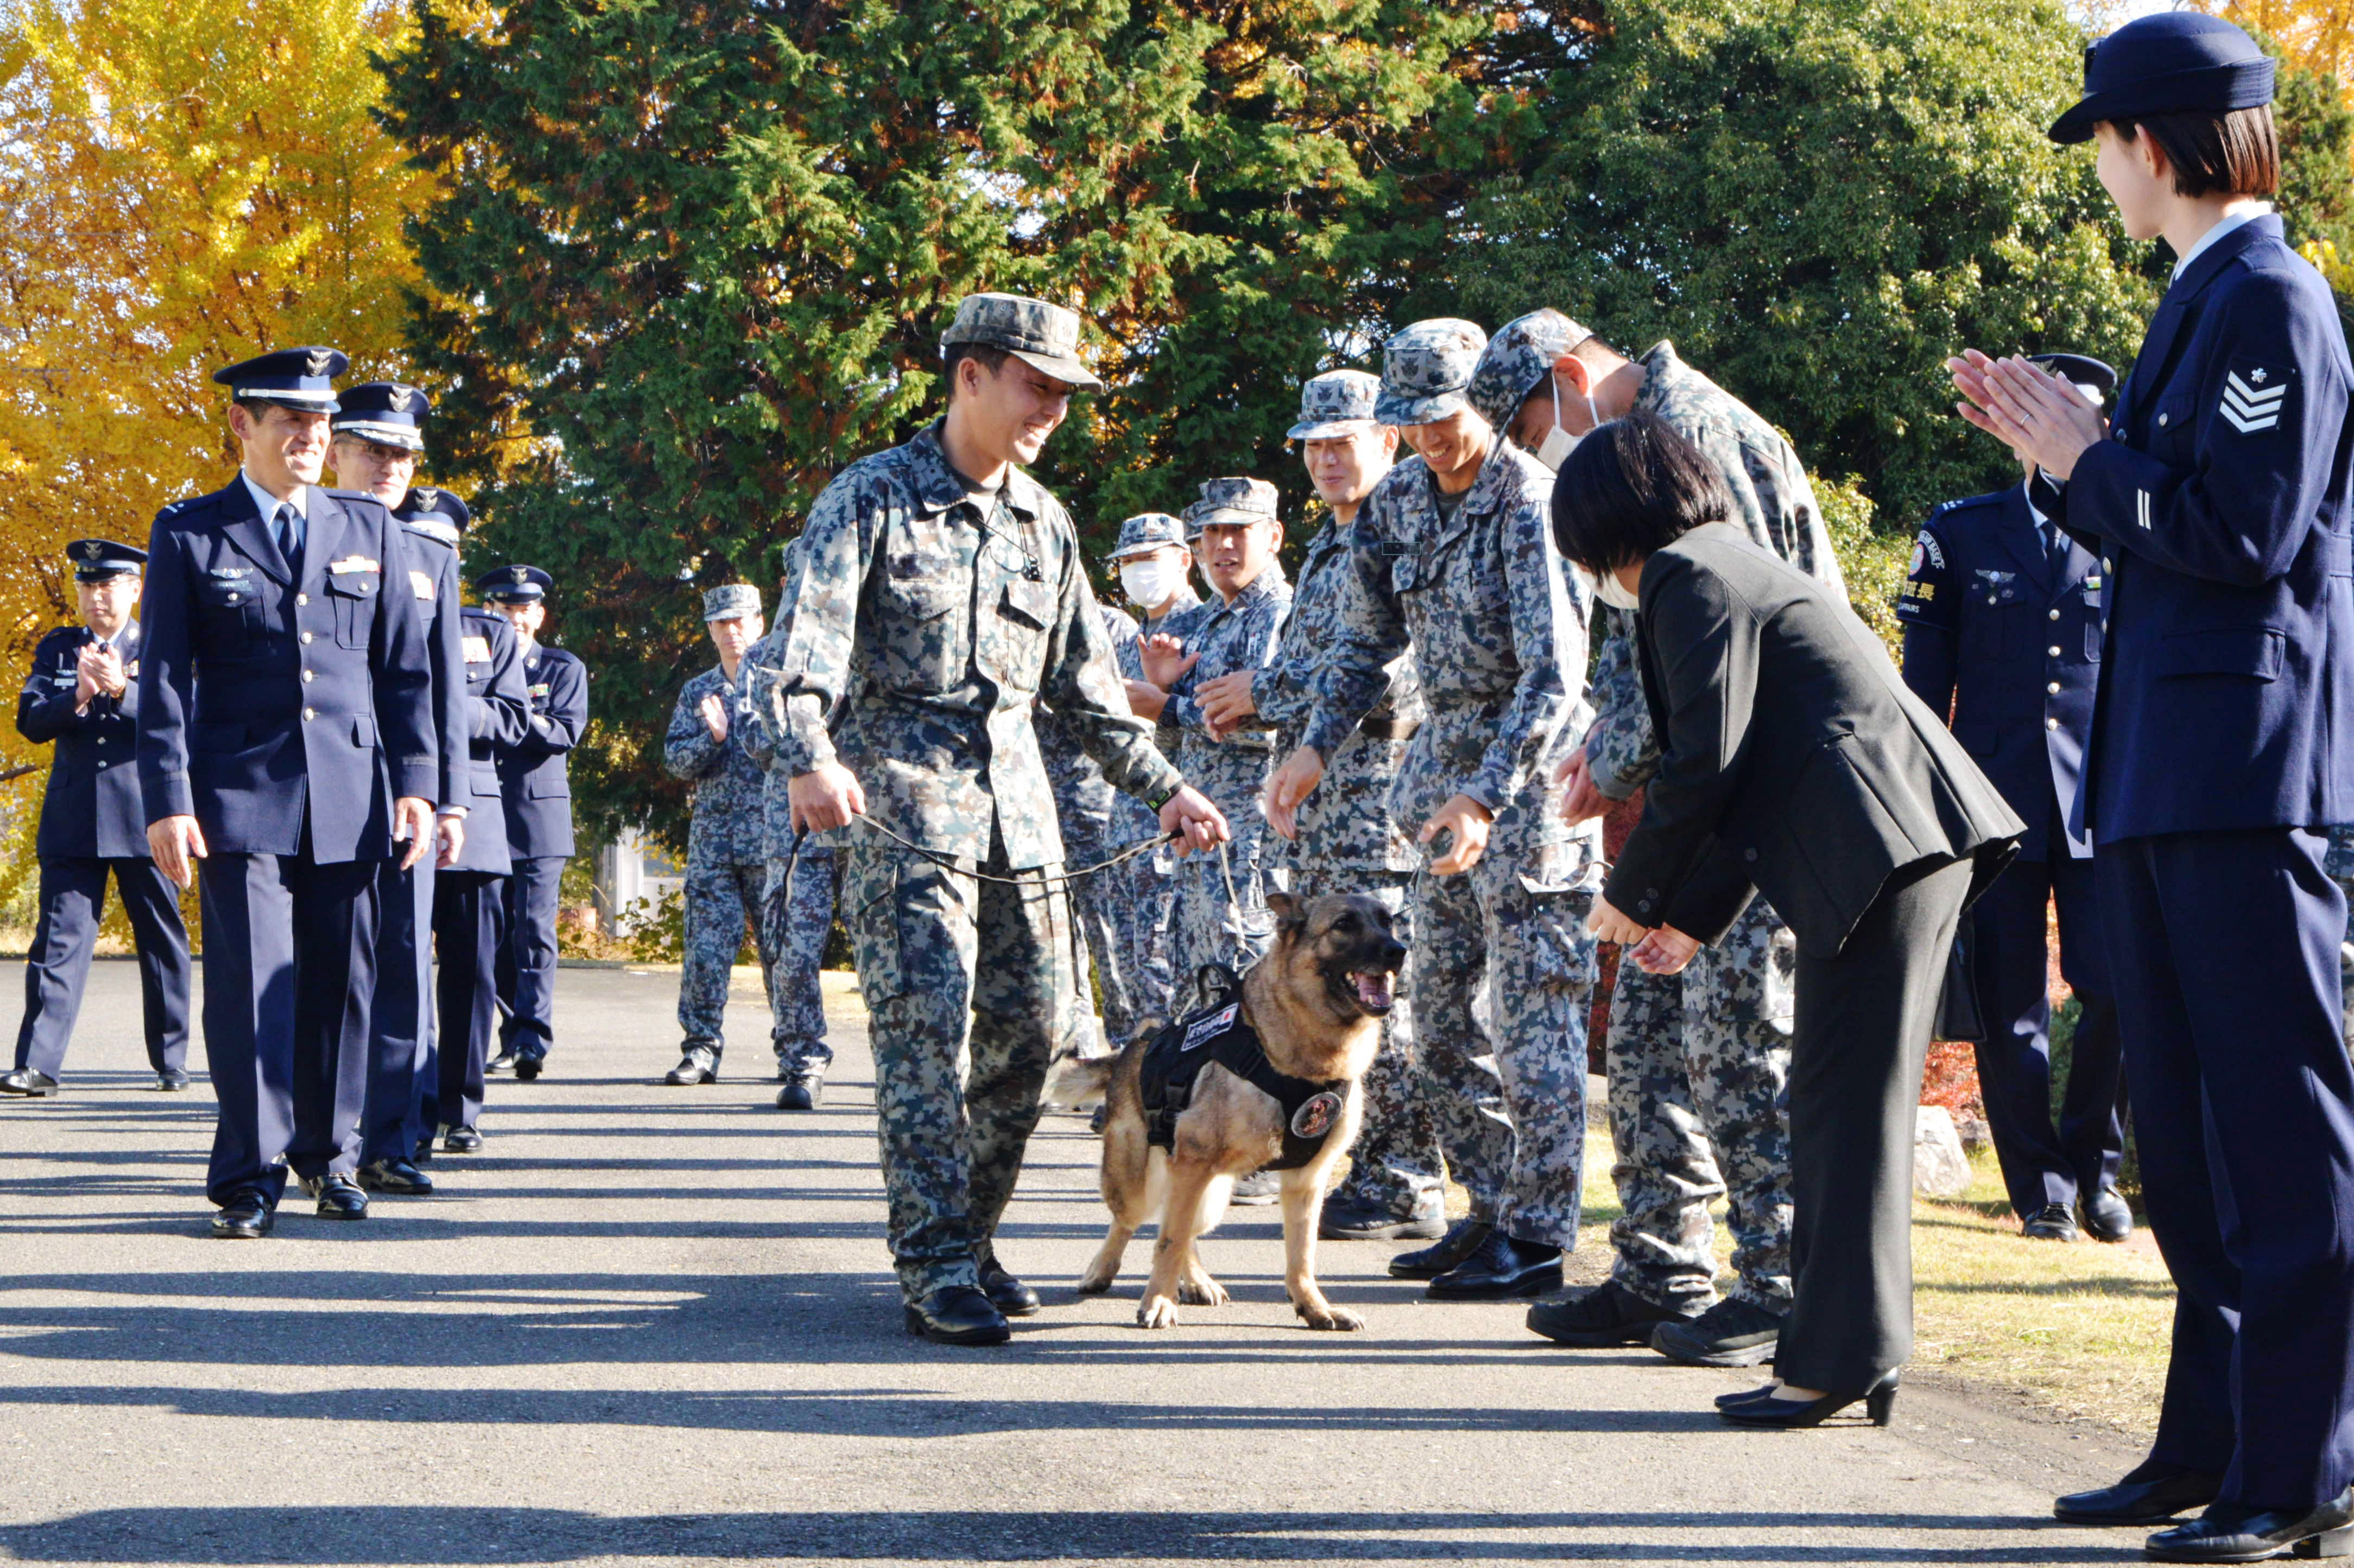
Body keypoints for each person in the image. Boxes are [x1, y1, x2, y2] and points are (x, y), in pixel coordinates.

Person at [1953, 14, 2354, 1556]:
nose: (2103, 176)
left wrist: (2084, 464)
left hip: (2247, 784)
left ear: (2160, 142)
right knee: (2182, 1141)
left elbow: (2246, 534)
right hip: (2165, 781)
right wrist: (2089, 453)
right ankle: (2206, 1445)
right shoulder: (2203, 300)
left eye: (2107, 145)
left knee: (2275, 1136)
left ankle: (2298, 1475)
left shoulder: (2272, 301)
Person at [767, 291, 1229, 1346]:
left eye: (1067, 395)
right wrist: (809, 756)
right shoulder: (872, 499)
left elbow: (1084, 692)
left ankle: (970, 1233)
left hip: (1022, 826)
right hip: (906, 814)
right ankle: (933, 1260)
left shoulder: (1044, 524)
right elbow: (806, 656)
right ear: (969, 374)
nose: (1053, 411)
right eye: (1038, 386)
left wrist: (1167, 787)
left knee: (1029, 1037)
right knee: (925, 1040)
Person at [1558, 410, 2022, 1429]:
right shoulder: (1725, 562)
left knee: (1843, 1113)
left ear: (1604, 521)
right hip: (1891, 851)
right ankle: (1854, 1347)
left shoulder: (1688, 575)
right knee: (1838, 1106)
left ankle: (1833, 1359)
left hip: (1883, 853)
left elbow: (1702, 764)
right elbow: (1746, 764)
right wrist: (1687, 918)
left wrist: (1627, 895)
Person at [1483, 308, 1829, 1368]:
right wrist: (1613, 751)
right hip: (1699, 780)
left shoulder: (1697, 431)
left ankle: (1777, 1287)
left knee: (1738, 1048)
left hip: (1758, 795)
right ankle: (1656, 1268)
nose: (1536, 444)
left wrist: (1629, 763)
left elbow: (1735, 651)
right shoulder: (1644, 440)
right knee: (1644, 1040)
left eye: (1528, 418)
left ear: (1568, 373)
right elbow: (1661, 653)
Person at [1264, 318, 1600, 1303]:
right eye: (1407, 423)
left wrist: (1488, 794)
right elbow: (1362, 644)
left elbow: (1555, 679)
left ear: (1482, 406)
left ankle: (1538, 1233)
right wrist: (1315, 745)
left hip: (1524, 794)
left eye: (1442, 419)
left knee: (1533, 1022)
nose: (1427, 440)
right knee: (1439, 1016)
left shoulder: (1529, 501)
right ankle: (1489, 1209)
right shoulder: (1402, 499)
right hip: (1432, 795)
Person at [137, 346, 439, 1236]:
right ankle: (248, 1171)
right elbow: (159, 679)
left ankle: (329, 1156)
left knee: (342, 985)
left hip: (351, 790)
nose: (311, 440)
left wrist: (418, 784)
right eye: (291, 424)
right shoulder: (192, 530)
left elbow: (405, 672)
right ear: (243, 425)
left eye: (320, 427)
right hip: (237, 796)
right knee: (250, 982)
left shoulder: (366, 527)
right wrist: (168, 796)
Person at [1193, 369, 1447, 1243]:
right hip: (1329, 807)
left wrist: (1264, 690)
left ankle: (1411, 1180)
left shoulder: (1407, 531)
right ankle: (1370, 1168)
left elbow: (1391, 677)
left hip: (1384, 808)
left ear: (1388, 441)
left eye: (1348, 440)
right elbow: (1316, 670)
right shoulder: (1335, 544)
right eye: (1316, 443)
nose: (1330, 457)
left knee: (1391, 1003)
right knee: (1340, 997)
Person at [1896, 354, 2131, 1247]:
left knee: (2116, 991)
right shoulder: (1961, 532)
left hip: (2108, 802)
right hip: (1994, 806)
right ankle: (2039, 1188)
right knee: (2008, 1005)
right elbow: (1922, 691)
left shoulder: (2131, 530)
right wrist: (1927, 810)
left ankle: (2095, 1170)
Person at [332, 384, 472, 1189]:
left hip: (407, 793)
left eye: (403, 454)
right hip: (318, 787)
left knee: (400, 969)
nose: (389, 467)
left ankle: (390, 1142)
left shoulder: (432, 559)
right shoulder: (302, 543)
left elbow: (448, 690)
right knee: (322, 969)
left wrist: (450, 798)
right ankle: (319, 1140)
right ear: (338, 450)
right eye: (373, 449)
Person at [3, 540, 192, 1097]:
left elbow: (190, 715)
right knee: (57, 942)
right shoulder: (60, 649)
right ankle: (37, 1064)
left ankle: (171, 1058)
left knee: (162, 941)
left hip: (145, 815)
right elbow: (31, 722)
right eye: (86, 586)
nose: (95, 597)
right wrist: (80, 695)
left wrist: (124, 691)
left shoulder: (162, 644)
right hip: (76, 817)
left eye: (108, 585)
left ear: (135, 589)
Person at [1155, 477, 1292, 1010]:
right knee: (1195, 980)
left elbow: (1269, 721)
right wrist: (1167, 686)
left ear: (1274, 536)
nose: (1222, 545)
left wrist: (1165, 703)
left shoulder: (1280, 613)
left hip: (1248, 835)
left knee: (1247, 980)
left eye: (1238, 530)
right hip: (1200, 836)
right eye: (1211, 531)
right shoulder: (1211, 620)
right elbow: (1182, 741)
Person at [415, 509, 527, 1161]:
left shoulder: (490, 631)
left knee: (471, 974)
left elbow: (513, 718)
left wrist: (441, 702)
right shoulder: (370, 613)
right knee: (392, 974)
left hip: (475, 822)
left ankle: (460, 1107)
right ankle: (402, 1103)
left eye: (444, 546)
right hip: (395, 817)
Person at [662, 583, 783, 1087]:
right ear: (710, 630)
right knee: (706, 955)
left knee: (783, 952)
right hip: (715, 846)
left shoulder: (782, 684)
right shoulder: (698, 692)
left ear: (759, 623)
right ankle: (701, 1050)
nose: (732, 631)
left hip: (773, 843)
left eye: (741, 621)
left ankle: (795, 1052)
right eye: (721, 623)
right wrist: (712, 738)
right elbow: (675, 762)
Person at [479, 564, 587, 1085]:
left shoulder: (562, 668)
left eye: (524, 611)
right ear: (488, 613)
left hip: (538, 817)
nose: (514, 620)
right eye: (504, 610)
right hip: (483, 815)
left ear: (539, 616)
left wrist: (504, 717)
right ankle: (508, 1031)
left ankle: (532, 1039)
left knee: (534, 932)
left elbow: (563, 732)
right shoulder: (469, 666)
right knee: (491, 933)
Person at [740, 535, 838, 1110]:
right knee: (793, 953)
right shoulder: (764, 656)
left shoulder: (866, 646)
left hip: (866, 828)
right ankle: (801, 1060)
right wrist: (811, 759)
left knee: (895, 955)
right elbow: (753, 734)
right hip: (796, 831)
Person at [1099, 511, 1203, 1030]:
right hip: (1123, 821)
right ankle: (1135, 1080)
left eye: (1151, 559)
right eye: (1130, 562)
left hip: (1171, 824)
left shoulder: (1203, 629)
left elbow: (1208, 729)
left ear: (1185, 560)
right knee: (1131, 962)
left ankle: (1166, 1086)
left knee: (1166, 962)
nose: (1138, 571)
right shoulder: (1130, 634)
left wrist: (1164, 700)